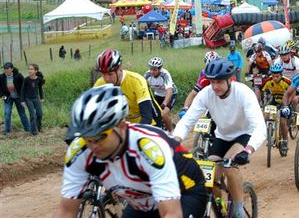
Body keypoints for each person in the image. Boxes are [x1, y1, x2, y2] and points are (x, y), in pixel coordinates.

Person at [56, 85, 207, 218]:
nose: (92, 146)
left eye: (99, 137)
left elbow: (171, 213)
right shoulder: (79, 150)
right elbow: (66, 211)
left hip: (185, 192)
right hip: (144, 200)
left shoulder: (148, 148)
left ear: (121, 127)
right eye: (86, 139)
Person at [173, 59, 266, 218]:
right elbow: (188, 121)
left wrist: (248, 150)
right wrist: (174, 141)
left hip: (244, 135)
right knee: (208, 177)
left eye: (220, 82)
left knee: (229, 167)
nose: (215, 86)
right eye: (212, 82)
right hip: (222, 137)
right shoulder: (206, 94)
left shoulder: (244, 93)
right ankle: (218, 207)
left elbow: (259, 126)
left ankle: (238, 211)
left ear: (230, 79)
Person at [94, 49, 161, 126]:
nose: (106, 79)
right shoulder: (100, 83)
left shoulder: (137, 81)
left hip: (145, 124)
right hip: (124, 127)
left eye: (110, 74)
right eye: (103, 74)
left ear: (120, 68)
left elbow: (147, 117)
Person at [261, 63, 292, 151]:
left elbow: (293, 93)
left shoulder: (287, 82)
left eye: (277, 76)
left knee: (283, 122)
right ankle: (269, 131)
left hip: (285, 101)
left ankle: (285, 141)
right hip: (275, 100)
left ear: (281, 75)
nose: (275, 78)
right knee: (266, 114)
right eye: (273, 76)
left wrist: (287, 104)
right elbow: (261, 91)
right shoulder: (268, 81)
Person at [144, 57, 178, 132]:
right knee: (151, 113)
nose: (152, 72)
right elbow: (144, 89)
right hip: (158, 94)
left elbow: (169, 91)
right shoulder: (147, 75)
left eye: (154, 69)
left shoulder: (165, 75)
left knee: (164, 113)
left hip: (171, 95)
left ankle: (171, 132)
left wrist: (164, 104)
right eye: (151, 69)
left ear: (160, 69)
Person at [0, 62, 30, 135]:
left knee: (22, 113)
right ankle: (8, 131)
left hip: (18, 97)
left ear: (12, 69)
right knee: (7, 113)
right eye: (5, 68)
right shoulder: (1, 77)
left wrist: (24, 98)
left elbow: (24, 86)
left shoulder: (18, 76)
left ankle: (28, 130)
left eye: (7, 68)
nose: (6, 70)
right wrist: (3, 96)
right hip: (8, 98)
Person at [21, 63, 45, 135]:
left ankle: (38, 127)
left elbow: (40, 89)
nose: (29, 70)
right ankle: (33, 132)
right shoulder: (26, 79)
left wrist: (41, 98)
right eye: (29, 69)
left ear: (36, 71)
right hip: (28, 99)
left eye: (31, 69)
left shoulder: (39, 79)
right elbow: (22, 90)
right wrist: (22, 101)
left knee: (40, 114)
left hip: (36, 98)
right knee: (33, 115)